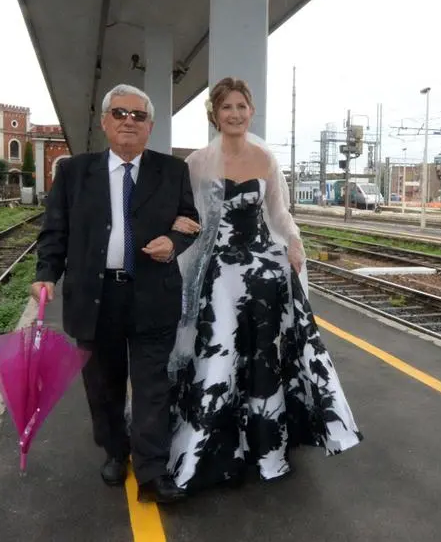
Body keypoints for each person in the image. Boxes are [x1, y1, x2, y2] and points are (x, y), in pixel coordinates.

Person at [167, 77, 362, 493]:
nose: (235, 114)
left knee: (263, 357)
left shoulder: (266, 159)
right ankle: (205, 451)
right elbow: (190, 216)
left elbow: (280, 214)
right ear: (214, 115)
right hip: (219, 272)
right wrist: (180, 228)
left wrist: (293, 243)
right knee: (218, 354)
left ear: (250, 111)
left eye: (241, 106)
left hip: (263, 272)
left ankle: (266, 449)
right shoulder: (197, 163)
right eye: (226, 108)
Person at [31, 84, 200, 504]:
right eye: (120, 113)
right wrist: (46, 274)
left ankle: (152, 470)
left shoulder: (172, 171)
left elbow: (188, 220)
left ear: (150, 127)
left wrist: (173, 244)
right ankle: (114, 450)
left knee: (151, 388)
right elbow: (56, 231)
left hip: (152, 294)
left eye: (138, 116)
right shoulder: (74, 172)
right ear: (105, 122)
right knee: (103, 387)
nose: (129, 121)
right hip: (95, 298)